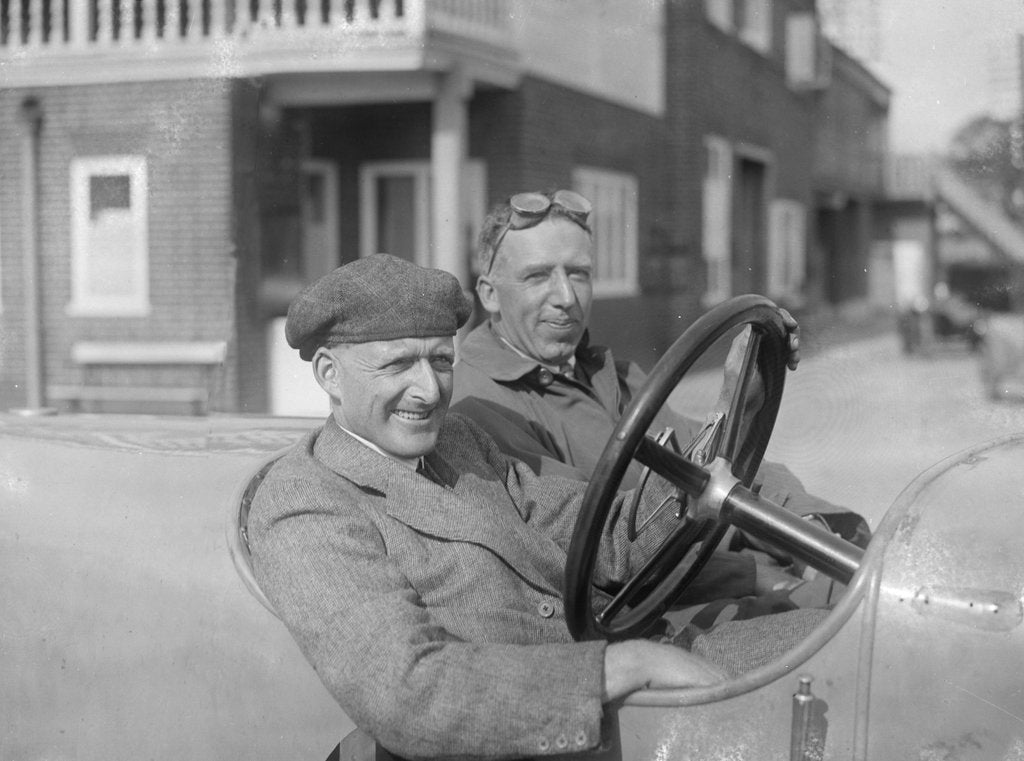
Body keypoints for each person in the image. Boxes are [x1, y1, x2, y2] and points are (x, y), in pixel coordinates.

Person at [247, 254, 824, 759]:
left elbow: (606, 542)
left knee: (846, 639)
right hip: (539, 731)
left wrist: (733, 411)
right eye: (398, 365)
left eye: (441, 361)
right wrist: (621, 668)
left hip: (612, 687)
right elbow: (408, 691)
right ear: (330, 374)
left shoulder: (460, 443)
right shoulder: (306, 503)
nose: (428, 390)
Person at [450, 189, 872, 567]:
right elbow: (599, 548)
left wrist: (809, 524)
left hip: (705, 561)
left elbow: (710, 460)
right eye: (537, 276)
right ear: (489, 294)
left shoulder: (607, 374)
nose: (565, 298)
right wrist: (746, 577)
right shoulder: (479, 406)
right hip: (647, 615)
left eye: (578, 273)